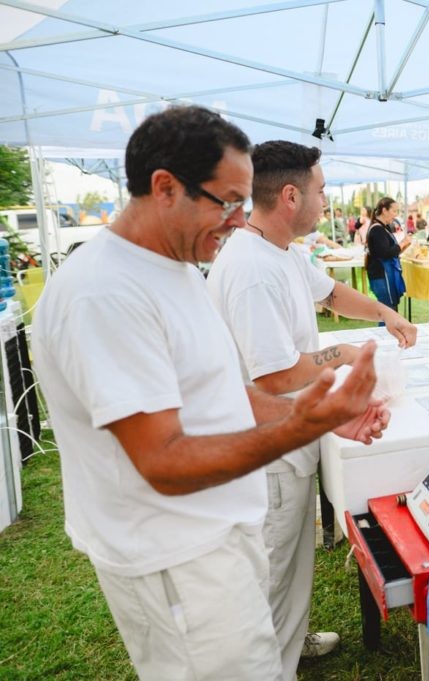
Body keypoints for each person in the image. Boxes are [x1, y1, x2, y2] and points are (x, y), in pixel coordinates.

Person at [30, 105, 387, 681]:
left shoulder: (172, 265)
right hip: (174, 559)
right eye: (227, 202)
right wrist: (298, 426)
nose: (239, 220)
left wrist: (321, 420)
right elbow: (162, 460)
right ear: (164, 188)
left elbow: (221, 392)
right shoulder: (105, 293)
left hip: (213, 539)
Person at [206, 141, 415, 678]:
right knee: (271, 569)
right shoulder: (252, 267)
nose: (327, 200)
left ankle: (289, 642)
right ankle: (269, 663)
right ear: (291, 195)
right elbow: (274, 373)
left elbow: (330, 295)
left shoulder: (281, 251)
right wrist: (343, 353)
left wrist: (384, 314)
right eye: (321, 190)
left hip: (287, 437)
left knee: (291, 561)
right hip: (264, 451)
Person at [366, 197, 411, 311]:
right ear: (384, 210)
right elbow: (385, 253)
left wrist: (404, 246)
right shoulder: (377, 229)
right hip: (381, 275)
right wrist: (402, 243)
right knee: (387, 312)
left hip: (385, 275)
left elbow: (391, 252)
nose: (396, 215)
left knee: (390, 311)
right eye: (394, 211)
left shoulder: (384, 227)